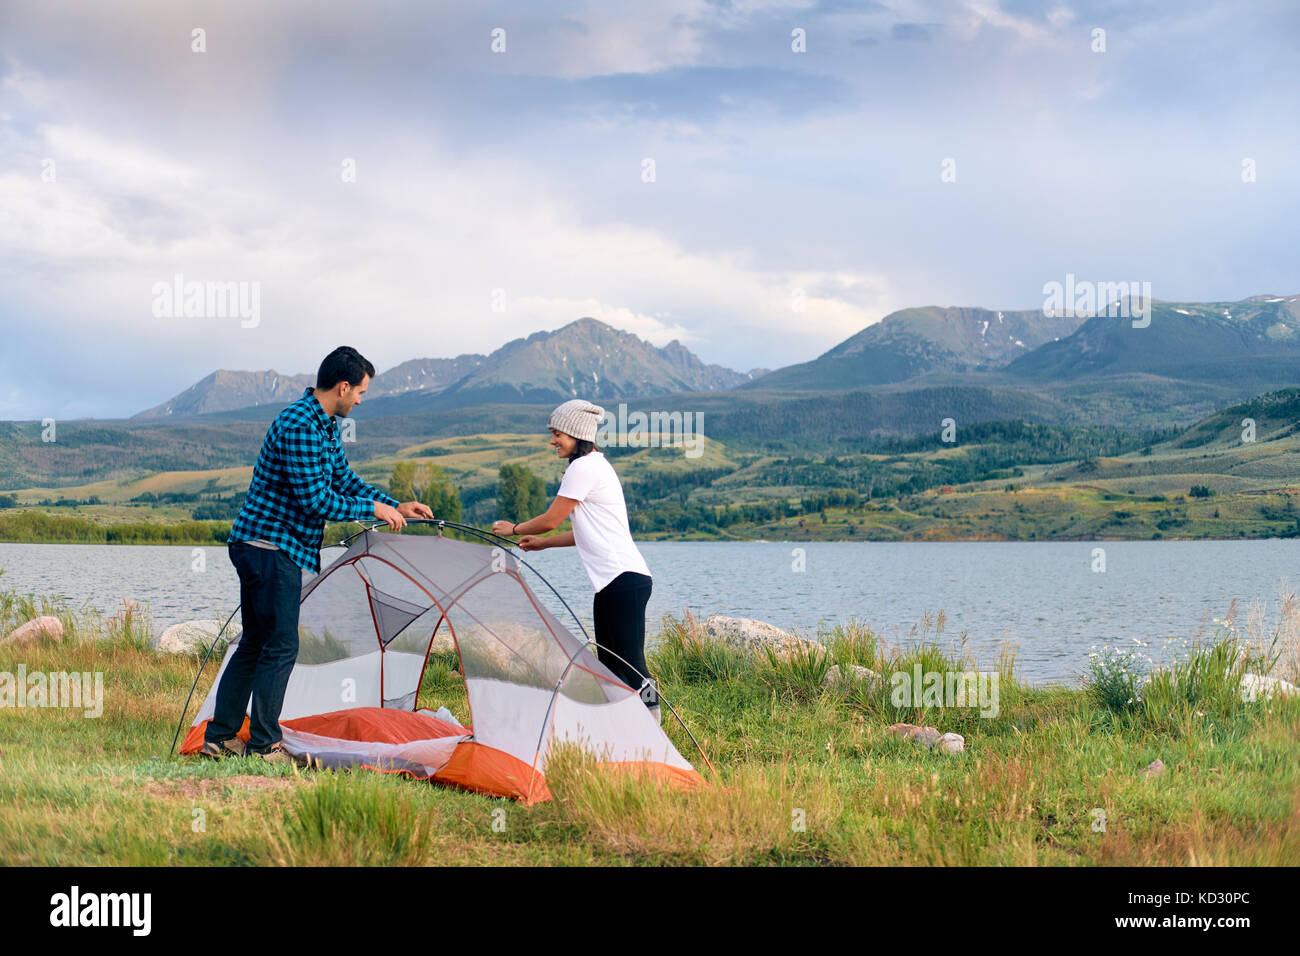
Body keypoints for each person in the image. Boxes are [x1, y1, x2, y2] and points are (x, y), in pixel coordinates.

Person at [201, 346, 433, 762]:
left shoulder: (323, 425)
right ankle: (264, 744)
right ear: (343, 387)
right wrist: (371, 510)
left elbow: (343, 480)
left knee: (256, 643)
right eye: (360, 391)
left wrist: (393, 505)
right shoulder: (299, 424)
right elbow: (315, 500)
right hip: (270, 547)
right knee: (280, 645)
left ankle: (220, 738)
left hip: (270, 547)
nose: (361, 400)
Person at [492, 399, 659, 722]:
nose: (553, 441)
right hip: (620, 582)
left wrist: (514, 529)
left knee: (631, 664)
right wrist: (543, 545)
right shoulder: (594, 466)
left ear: (576, 434)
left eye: (557, 434)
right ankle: (625, 724)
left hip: (623, 581)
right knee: (610, 663)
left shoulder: (583, 468)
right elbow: (582, 532)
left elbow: (551, 519)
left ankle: (654, 722)